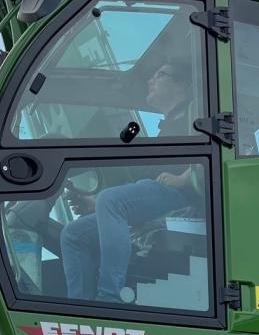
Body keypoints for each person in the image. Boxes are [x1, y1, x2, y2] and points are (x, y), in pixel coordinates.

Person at [60, 60, 202, 303]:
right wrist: (97, 203)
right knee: (74, 234)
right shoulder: (165, 127)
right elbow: (136, 194)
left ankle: (110, 298)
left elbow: (217, 155)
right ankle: (82, 308)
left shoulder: (195, 113)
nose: (151, 80)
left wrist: (183, 178)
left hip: (179, 195)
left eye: (160, 73)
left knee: (111, 201)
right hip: (154, 196)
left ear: (182, 86)